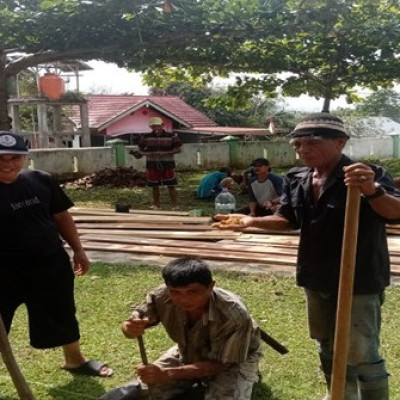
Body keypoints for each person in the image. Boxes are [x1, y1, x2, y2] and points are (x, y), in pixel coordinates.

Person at [214, 113, 400, 400]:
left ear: (340, 142)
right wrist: (250, 222)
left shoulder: (366, 173)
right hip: (315, 274)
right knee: (325, 342)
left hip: (358, 275)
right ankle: (341, 395)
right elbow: (287, 219)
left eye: (311, 142)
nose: (302, 149)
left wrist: (370, 190)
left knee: (361, 349)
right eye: (298, 144)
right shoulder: (296, 177)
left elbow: (394, 212)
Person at [0, 131, 113, 378]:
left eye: (14, 157)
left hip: (49, 262)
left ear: (24, 157)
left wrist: (78, 250)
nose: (8, 164)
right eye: (1, 158)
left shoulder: (41, 180)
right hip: (4, 271)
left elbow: (61, 216)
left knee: (61, 310)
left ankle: (75, 360)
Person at [99, 257, 262, 400]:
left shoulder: (234, 315)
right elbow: (133, 323)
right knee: (138, 391)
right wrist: (129, 328)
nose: (184, 299)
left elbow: (223, 365)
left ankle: (247, 376)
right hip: (188, 350)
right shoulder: (161, 295)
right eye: (176, 292)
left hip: (232, 360)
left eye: (193, 292)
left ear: (211, 286)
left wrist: (167, 374)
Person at [138, 117, 182, 209]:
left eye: (158, 126)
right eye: (154, 127)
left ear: (162, 125)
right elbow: (140, 152)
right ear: (151, 127)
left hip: (168, 163)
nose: (156, 128)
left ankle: (175, 205)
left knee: (171, 185)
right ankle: (157, 205)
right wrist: (149, 154)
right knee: (154, 186)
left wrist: (165, 153)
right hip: (152, 164)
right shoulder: (145, 137)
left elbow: (178, 150)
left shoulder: (172, 136)